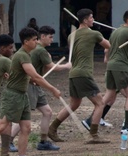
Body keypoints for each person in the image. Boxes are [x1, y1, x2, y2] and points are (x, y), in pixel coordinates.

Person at [0, 27, 61, 156]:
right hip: (12, 96)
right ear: (26, 41)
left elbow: (29, 77)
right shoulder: (22, 55)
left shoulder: (26, 54)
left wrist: (32, 81)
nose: (36, 42)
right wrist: (53, 89)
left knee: (26, 127)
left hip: (22, 95)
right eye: (34, 40)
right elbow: (36, 76)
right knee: (1, 126)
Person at [48, 9, 111, 143]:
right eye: (91, 17)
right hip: (84, 73)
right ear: (85, 20)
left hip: (73, 73)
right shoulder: (94, 34)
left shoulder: (72, 35)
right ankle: (93, 134)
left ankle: (52, 129)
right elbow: (108, 45)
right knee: (100, 103)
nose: (93, 19)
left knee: (74, 104)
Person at [24, 25, 69, 151]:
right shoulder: (40, 50)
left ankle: (43, 142)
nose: (52, 40)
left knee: (47, 112)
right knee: (24, 116)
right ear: (42, 37)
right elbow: (54, 67)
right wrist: (67, 66)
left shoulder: (38, 50)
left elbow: (43, 70)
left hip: (36, 86)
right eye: (50, 37)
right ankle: (9, 141)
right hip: (30, 85)